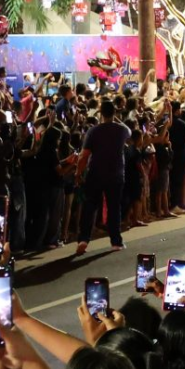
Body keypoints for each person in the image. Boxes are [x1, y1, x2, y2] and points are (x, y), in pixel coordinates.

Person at [74, 99, 131, 254]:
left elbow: (84, 155)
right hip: (116, 174)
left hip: (96, 173)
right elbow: (129, 130)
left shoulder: (93, 131)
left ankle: (84, 239)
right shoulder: (121, 130)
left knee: (90, 207)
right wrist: (116, 117)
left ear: (100, 113)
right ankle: (116, 241)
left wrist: (79, 173)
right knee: (114, 208)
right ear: (115, 113)